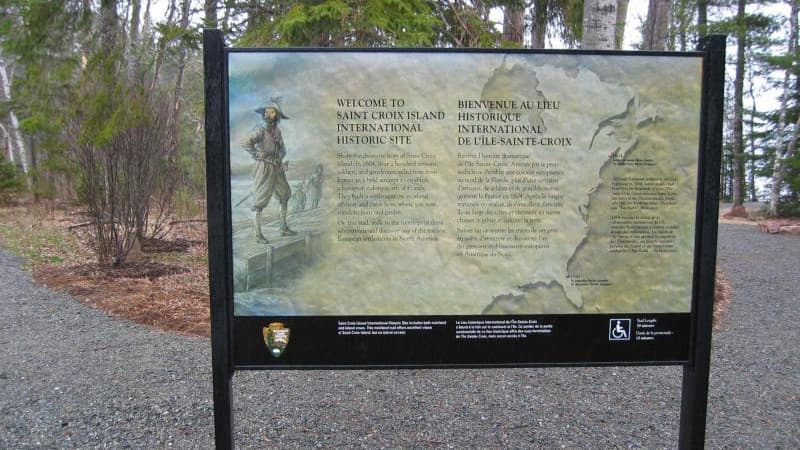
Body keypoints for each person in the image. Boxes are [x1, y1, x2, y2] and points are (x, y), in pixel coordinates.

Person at [243, 97, 296, 243]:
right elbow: (246, 142)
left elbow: (282, 149)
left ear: (276, 115)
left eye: (272, 112)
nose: (268, 114)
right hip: (263, 168)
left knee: (284, 195)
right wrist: (256, 154)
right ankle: (258, 235)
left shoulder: (276, 131)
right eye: (266, 112)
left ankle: (283, 227)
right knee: (259, 202)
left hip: (277, 166)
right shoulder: (259, 130)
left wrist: (279, 159)